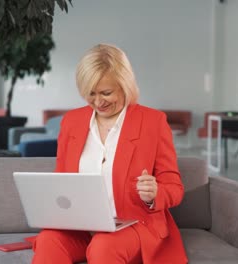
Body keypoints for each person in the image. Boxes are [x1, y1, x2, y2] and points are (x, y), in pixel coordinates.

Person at [31, 43, 187, 264]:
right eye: (90, 93)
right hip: (81, 228)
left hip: (134, 226)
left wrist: (155, 194)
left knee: (104, 246)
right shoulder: (71, 122)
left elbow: (174, 187)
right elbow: (62, 181)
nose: (98, 102)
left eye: (106, 93)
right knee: (48, 240)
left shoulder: (153, 122)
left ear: (125, 85)